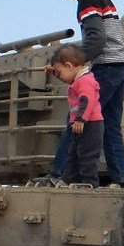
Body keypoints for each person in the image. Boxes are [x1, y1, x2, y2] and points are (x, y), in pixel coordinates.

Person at [42, 0, 124, 187]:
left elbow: (97, 38)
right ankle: (123, 179)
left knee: (78, 116)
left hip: (107, 65)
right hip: (123, 64)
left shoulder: (87, 0)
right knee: (110, 124)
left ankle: (59, 176)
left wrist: (69, 62)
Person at [48, 46, 103, 185]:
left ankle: (89, 182)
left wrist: (80, 119)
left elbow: (88, 100)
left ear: (69, 66)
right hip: (79, 125)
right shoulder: (78, 80)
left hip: (90, 124)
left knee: (87, 155)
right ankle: (68, 179)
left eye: (59, 73)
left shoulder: (85, 81)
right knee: (73, 154)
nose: (59, 77)